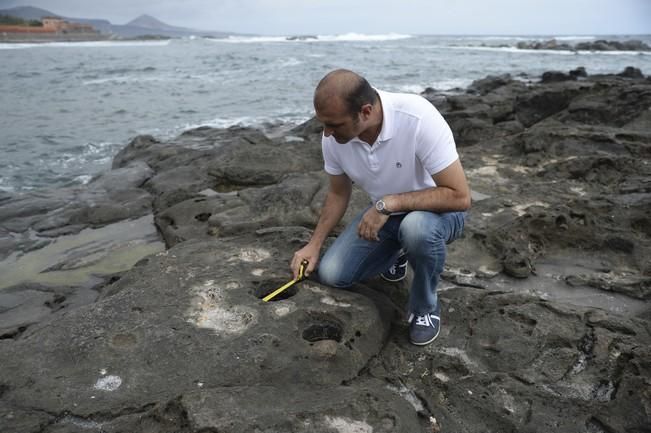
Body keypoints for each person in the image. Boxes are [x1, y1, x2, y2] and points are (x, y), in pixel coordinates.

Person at [291, 69, 471, 346]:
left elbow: (459, 197)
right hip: (386, 215)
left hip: (440, 212)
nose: (326, 132)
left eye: (334, 124)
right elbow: (338, 193)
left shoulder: (417, 117)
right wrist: (313, 245)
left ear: (365, 111)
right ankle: (398, 251)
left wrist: (390, 203)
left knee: (417, 229)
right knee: (332, 274)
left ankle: (425, 308)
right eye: (323, 124)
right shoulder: (333, 139)